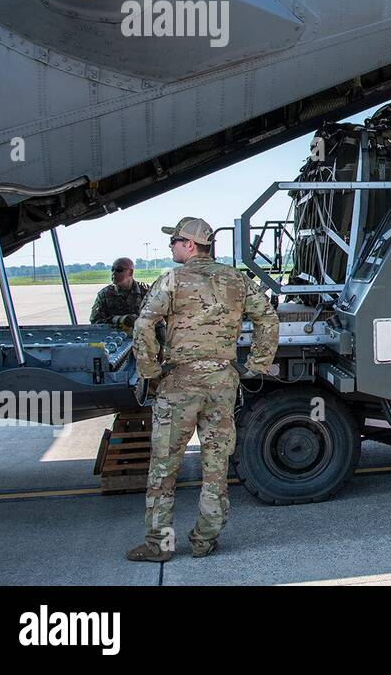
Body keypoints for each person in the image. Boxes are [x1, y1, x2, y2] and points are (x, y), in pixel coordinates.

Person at [125, 217, 279, 563]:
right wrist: (256, 365)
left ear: (190, 245)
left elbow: (144, 323)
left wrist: (150, 370)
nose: (171, 247)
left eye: (175, 241)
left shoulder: (172, 279)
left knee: (164, 468)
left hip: (179, 382)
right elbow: (268, 318)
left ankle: (159, 545)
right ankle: (204, 540)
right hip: (222, 382)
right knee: (215, 465)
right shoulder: (237, 280)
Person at [89, 257, 150, 332]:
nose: (114, 273)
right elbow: (95, 322)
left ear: (131, 272)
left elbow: (158, 319)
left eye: (119, 270)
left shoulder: (146, 291)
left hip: (142, 338)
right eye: (112, 269)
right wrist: (118, 319)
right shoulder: (105, 294)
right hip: (114, 338)